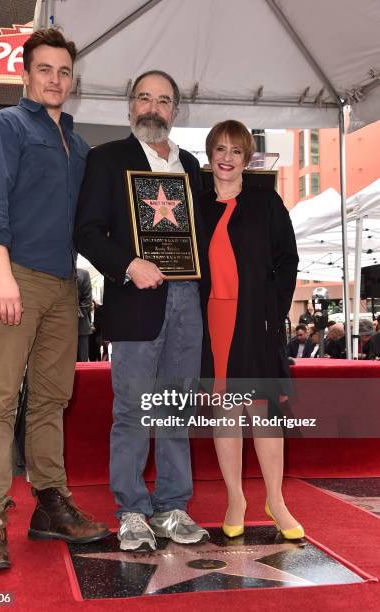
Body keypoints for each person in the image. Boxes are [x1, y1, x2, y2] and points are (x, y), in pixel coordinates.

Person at [0, 28, 109, 574]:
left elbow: (89, 223)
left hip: (61, 283)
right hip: (15, 275)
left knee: (52, 399)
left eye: (64, 72)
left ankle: (50, 504)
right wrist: (0, 273)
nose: (55, 79)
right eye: (45, 69)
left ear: (72, 81)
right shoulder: (6, 125)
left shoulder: (78, 146)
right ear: (25, 74)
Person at [74, 70, 209, 552]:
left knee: (176, 409)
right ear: (130, 106)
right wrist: (129, 265)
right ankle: (131, 509)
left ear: (176, 110)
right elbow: (86, 232)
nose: (153, 107)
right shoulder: (107, 159)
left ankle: (174, 505)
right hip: (135, 301)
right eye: (144, 98)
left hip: (187, 301)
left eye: (164, 100)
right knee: (132, 410)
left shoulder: (192, 166)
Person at [199, 120, 304, 540]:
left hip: (256, 321)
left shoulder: (265, 202)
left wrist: (273, 312)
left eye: (236, 151)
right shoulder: (198, 206)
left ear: (247, 158)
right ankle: (235, 498)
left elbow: (288, 260)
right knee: (225, 413)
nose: (227, 157)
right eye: (220, 149)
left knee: (264, 413)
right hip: (211, 322)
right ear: (210, 154)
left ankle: (275, 500)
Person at [76, 268, 93, 361]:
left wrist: (72, 315)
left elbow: (87, 301)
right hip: (58, 327)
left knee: (82, 362)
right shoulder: (55, 272)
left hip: (81, 327)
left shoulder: (83, 274)